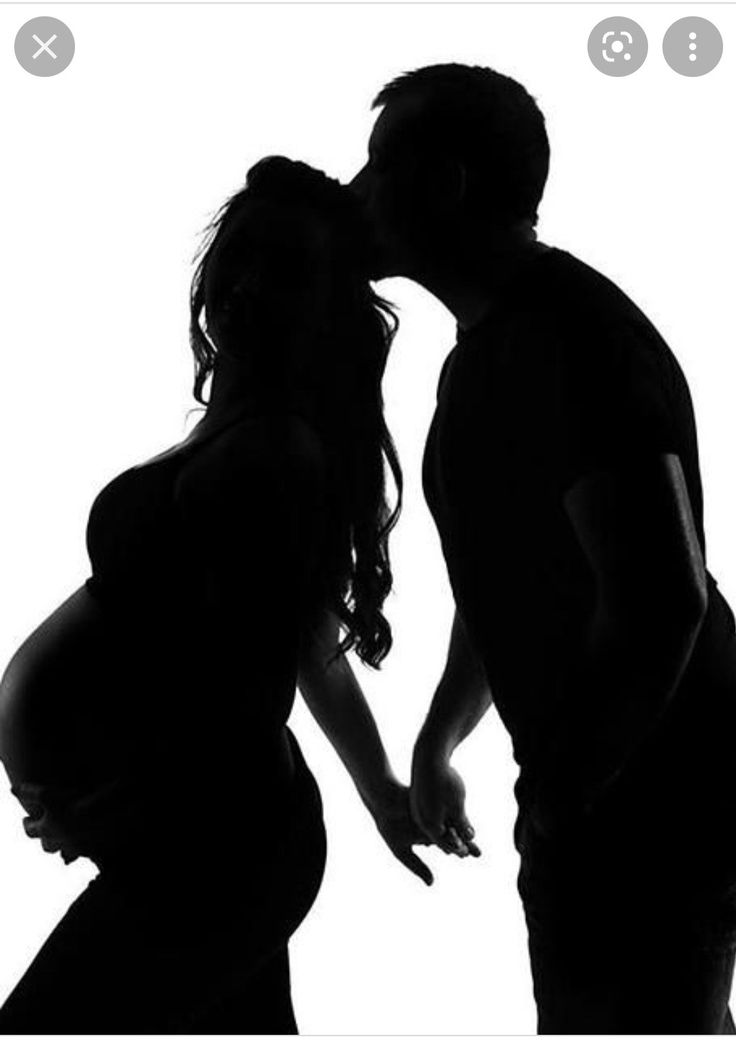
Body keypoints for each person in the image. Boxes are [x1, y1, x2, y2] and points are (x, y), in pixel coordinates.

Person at [0, 155, 434, 1034]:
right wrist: (379, 784)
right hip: (219, 838)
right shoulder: (244, 429)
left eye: (284, 270)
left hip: (213, 847)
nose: (245, 286)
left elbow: (248, 694)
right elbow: (304, 637)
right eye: (239, 256)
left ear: (325, 308)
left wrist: (121, 795)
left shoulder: (274, 450)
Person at [350, 62, 736, 1033]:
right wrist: (441, 738)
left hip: (658, 812)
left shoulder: (564, 340)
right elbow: (511, 587)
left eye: (376, 166)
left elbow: (661, 599)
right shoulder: (496, 348)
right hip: (634, 802)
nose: (357, 193)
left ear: (443, 183)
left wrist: (569, 795)